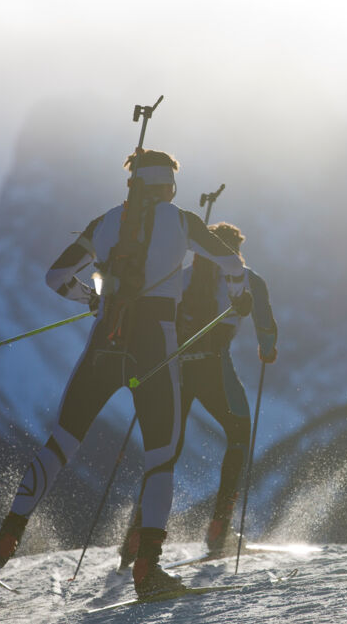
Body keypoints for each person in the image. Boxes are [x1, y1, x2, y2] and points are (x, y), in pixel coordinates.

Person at [0, 149, 251, 597]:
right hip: (154, 347)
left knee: (60, 443)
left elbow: (56, 276)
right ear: (168, 186)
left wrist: (90, 298)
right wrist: (238, 298)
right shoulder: (183, 223)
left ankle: (2, 541)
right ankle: (148, 571)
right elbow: (233, 266)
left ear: (133, 185)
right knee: (161, 457)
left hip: (104, 343)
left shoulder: (105, 223)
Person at [118, 221, 278, 568]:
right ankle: (219, 528)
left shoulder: (179, 276)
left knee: (166, 449)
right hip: (213, 368)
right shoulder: (248, 279)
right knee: (238, 435)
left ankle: (137, 533)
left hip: (174, 368)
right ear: (235, 249)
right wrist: (267, 349)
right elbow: (265, 326)